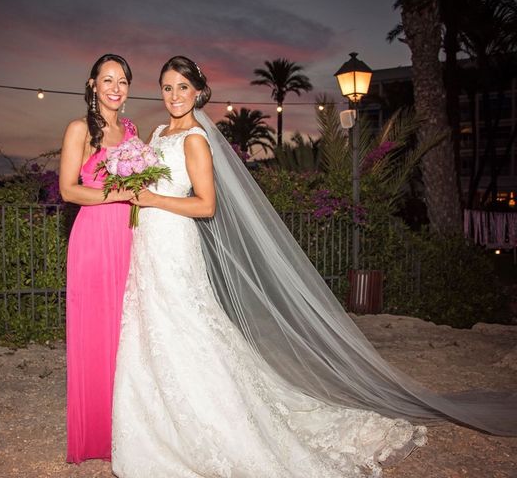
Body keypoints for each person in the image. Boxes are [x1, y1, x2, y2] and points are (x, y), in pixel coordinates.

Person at [111, 56, 516, 477]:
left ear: (198, 92)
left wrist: (154, 199)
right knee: (150, 327)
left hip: (176, 244)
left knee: (187, 330)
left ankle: (209, 424)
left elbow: (206, 204)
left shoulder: (196, 139)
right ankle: (157, 426)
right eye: (166, 87)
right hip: (149, 243)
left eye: (182, 87)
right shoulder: (157, 134)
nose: (174, 95)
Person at [59, 53, 137, 464]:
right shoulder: (78, 130)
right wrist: (119, 193)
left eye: (122, 80)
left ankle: (127, 429)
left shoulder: (131, 132)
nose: (115, 87)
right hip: (92, 240)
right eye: (107, 79)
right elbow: (69, 191)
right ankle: (95, 436)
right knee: (96, 333)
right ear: (92, 85)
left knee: (127, 335)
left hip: (128, 236)